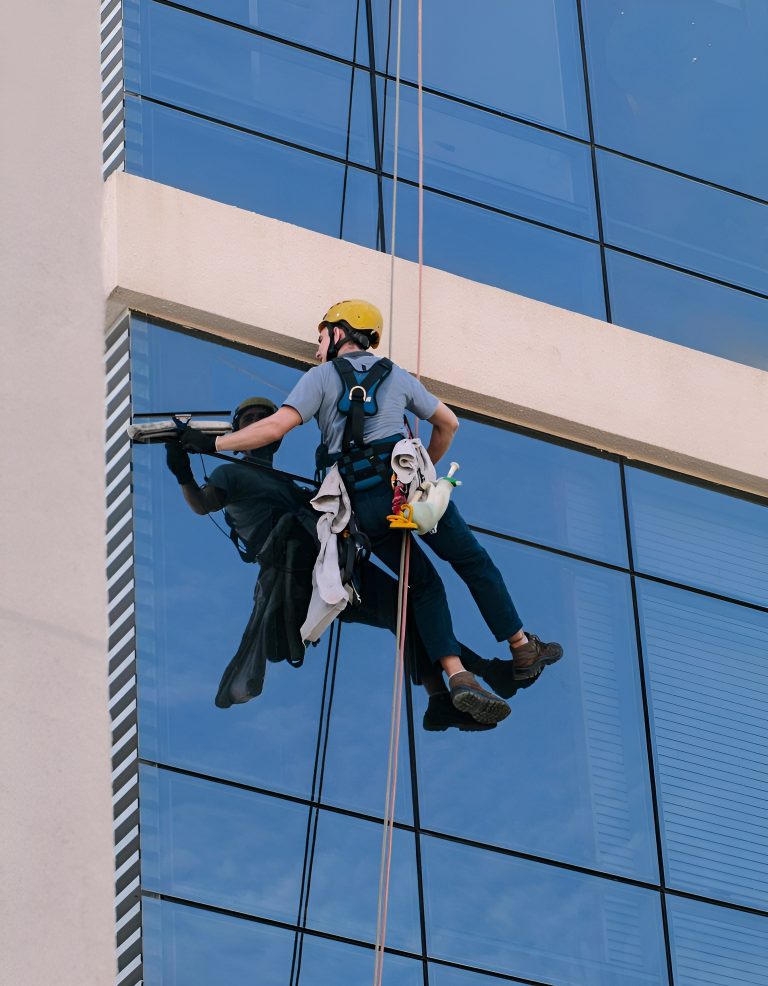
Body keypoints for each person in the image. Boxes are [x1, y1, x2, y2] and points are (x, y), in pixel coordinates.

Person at [179, 301, 563, 726]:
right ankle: (521, 646)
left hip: (362, 509)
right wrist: (423, 477)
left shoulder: (319, 379)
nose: (317, 346)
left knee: (422, 587)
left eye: (322, 335)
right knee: (473, 562)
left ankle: (458, 675)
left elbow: (275, 428)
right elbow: (449, 424)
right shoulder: (397, 376)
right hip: (405, 491)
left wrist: (210, 443)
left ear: (341, 332)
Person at [167, 394, 514, 730]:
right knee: (413, 601)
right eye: (249, 421)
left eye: (263, 419)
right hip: (300, 574)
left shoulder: (290, 485)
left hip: (325, 568)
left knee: (406, 607)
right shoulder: (231, 474)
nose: (257, 424)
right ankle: (476, 670)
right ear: (239, 436)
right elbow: (202, 503)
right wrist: (183, 473)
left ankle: (441, 696)